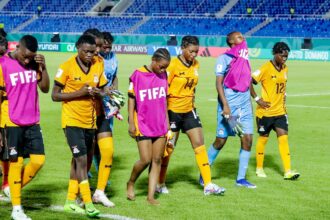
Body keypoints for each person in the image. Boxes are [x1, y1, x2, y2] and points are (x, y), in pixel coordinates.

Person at [157, 36, 225, 195]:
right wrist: (163, 115)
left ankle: (208, 184)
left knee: (199, 145)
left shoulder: (196, 64)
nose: (194, 54)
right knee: (168, 149)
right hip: (172, 112)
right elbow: (162, 89)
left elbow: (192, 87)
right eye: (191, 51)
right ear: (183, 48)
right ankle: (159, 182)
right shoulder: (172, 65)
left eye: (196, 51)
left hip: (189, 111)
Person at [52, 34, 107, 217]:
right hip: (72, 121)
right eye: (86, 52)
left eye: (92, 52)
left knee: (80, 161)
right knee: (82, 161)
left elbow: (103, 88)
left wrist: (102, 93)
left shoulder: (99, 64)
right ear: (77, 48)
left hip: (90, 121)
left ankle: (69, 201)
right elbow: (55, 95)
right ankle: (88, 204)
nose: (90, 55)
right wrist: (80, 92)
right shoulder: (66, 66)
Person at [0, 35, 49, 220]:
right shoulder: (2, 64)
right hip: (11, 121)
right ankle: (17, 209)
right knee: (16, 163)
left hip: (33, 121)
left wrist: (42, 67)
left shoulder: (34, 63)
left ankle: (13, 188)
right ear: (17, 46)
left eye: (31, 57)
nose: (27, 60)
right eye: (25, 56)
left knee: (38, 161)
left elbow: (44, 88)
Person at [203, 31, 256, 188]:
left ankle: (240, 179)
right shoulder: (224, 58)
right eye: (239, 37)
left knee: (247, 139)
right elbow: (219, 83)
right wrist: (225, 106)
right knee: (221, 140)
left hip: (244, 107)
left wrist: (254, 100)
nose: (243, 39)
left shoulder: (244, 57)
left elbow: (247, 80)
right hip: (230, 107)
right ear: (232, 41)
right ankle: (204, 172)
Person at [126, 48, 171, 205]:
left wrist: (168, 124)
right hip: (143, 123)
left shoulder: (164, 75)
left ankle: (150, 196)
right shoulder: (137, 75)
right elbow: (131, 99)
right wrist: (131, 121)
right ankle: (131, 182)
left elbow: (164, 101)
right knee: (145, 160)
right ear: (153, 60)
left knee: (157, 159)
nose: (163, 70)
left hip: (160, 124)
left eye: (166, 67)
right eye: (162, 66)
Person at [250, 42, 300, 180]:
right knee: (263, 139)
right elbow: (250, 80)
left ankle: (288, 171)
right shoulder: (266, 67)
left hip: (280, 112)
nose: (285, 58)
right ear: (276, 54)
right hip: (265, 113)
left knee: (284, 139)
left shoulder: (285, 69)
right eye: (283, 56)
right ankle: (259, 168)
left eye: (286, 56)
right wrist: (257, 99)